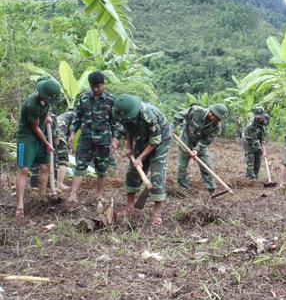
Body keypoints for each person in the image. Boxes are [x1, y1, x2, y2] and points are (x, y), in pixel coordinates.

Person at [112, 94, 172, 224]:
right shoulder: (121, 114)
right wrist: (129, 147)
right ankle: (129, 207)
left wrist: (140, 158)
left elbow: (155, 141)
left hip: (161, 140)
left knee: (157, 174)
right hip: (141, 138)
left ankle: (157, 214)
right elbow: (127, 130)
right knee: (133, 172)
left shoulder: (147, 114)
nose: (125, 119)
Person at [68, 71, 120, 211]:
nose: (95, 89)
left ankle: (99, 196)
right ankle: (73, 195)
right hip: (85, 140)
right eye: (93, 87)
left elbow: (115, 122)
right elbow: (78, 117)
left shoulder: (111, 99)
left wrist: (115, 139)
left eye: (98, 86)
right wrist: (72, 132)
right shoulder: (84, 98)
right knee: (80, 167)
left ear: (103, 84)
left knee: (102, 170)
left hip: (103, 142)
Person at [15, 77, 61, 218]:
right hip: (27, 138)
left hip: (39, 137)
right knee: (24, 169)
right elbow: (35, 128)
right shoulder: (31, 105)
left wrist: (47, 117)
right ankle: (19, 205)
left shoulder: (45, 99)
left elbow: (45, 110)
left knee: (46, 166)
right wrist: (47, 143)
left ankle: (42, 196)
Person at [172, 103, 228, 194]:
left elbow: (206, 141)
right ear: (211, 114)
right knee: (182, 168)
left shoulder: (216, 127)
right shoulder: (196, 111)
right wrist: (172, 128)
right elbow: (178, 116)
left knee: (207, 167)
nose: (219, 121)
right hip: (186, 141)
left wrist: (196, 149)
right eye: (218, 118)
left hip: (200, 145)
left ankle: (212, 190)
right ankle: (183, 189)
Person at [242, 107, 267, 180]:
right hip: (248, 140)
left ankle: (255, 176)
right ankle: (250, 178)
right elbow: (255, 141)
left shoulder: (265, 120)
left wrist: (263, 138)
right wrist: (262, 152)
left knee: (258, 159)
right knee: (251, 159)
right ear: (255, 116)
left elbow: (264, 129)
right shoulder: (251, 125)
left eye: (261, 117)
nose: (260, 119)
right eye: (258, 118)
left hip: (258, 138)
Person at [56, 107, 77, 190]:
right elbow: (72, 130)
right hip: (60, 137)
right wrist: (70, 144)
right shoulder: (73, 115)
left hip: (50, 137)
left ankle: (52, 183)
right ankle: (59, 184)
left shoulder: (61, 116)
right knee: (63, 161)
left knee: (53, 161)